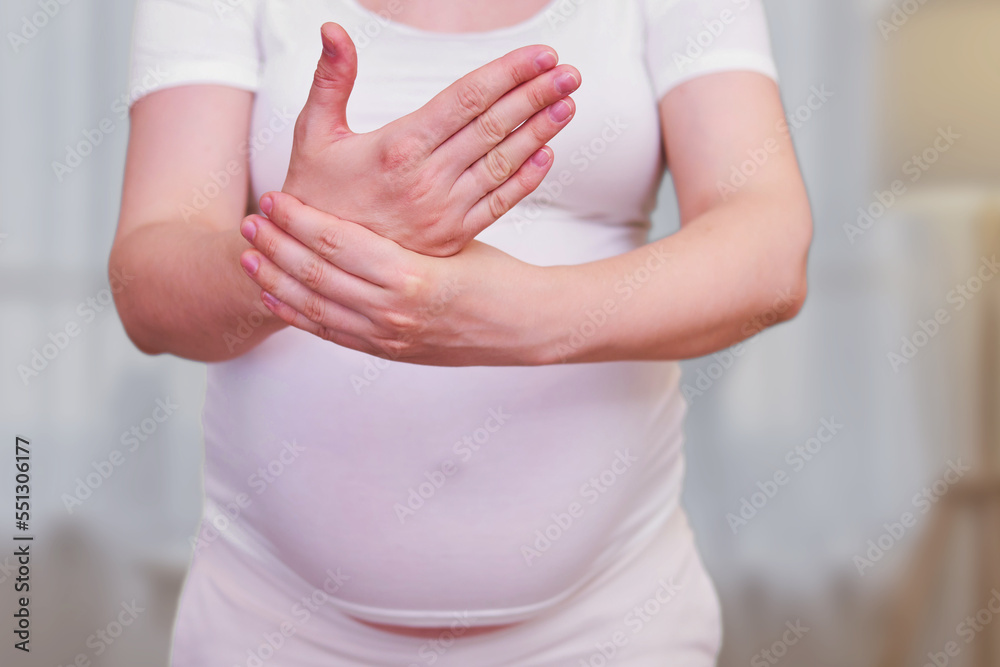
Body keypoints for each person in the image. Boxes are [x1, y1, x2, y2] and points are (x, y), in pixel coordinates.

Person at [111, 0, 812, 664]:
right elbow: (147, 287)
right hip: (269, 625)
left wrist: (520, 316)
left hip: (614, 623)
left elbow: (769, 251)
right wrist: (306, 241)